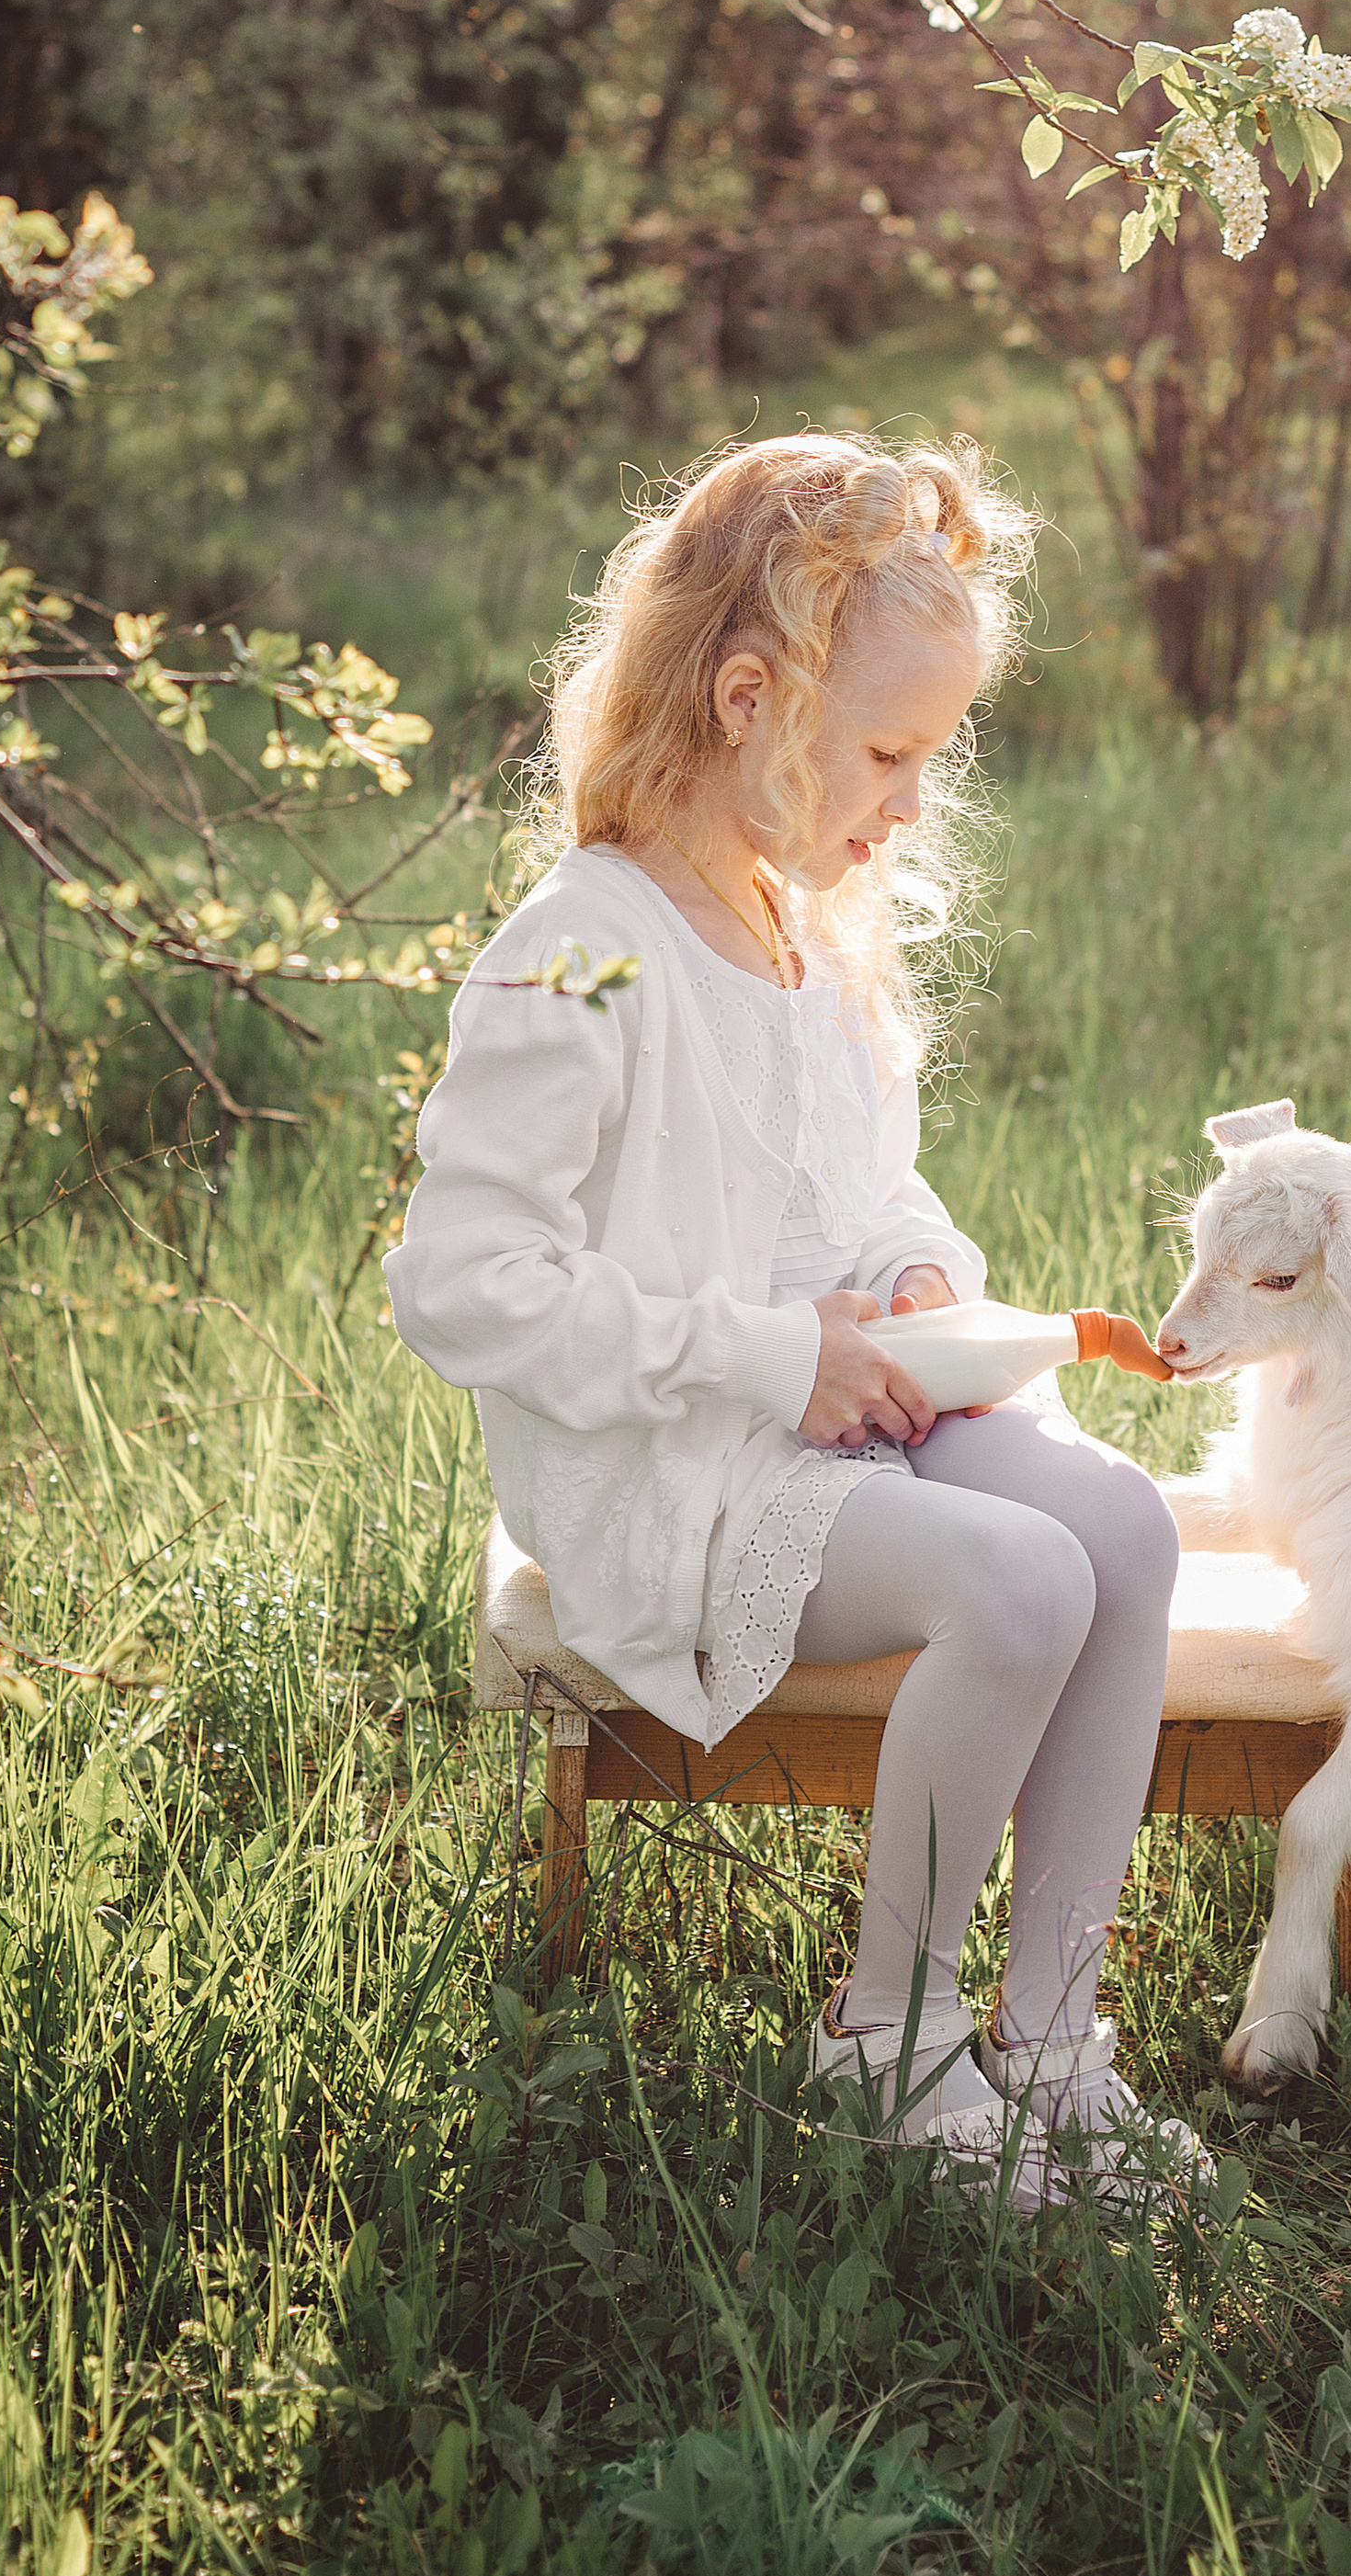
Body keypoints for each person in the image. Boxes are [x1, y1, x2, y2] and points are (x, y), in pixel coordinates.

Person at [388, 432, 1198, 2198]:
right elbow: (463, 1282)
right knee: (1020, 1577)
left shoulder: (804, 924)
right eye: (889, 752)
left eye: (934, 757)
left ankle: (1053, 2037)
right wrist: (777, 1354)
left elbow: (854, 1185)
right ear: (747, 698)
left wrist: (917, 1280)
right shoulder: (589, 942)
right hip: (668, 1457)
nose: (911, 805)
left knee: (1122, 1527)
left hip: (829, 1402)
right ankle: (891, 2044)